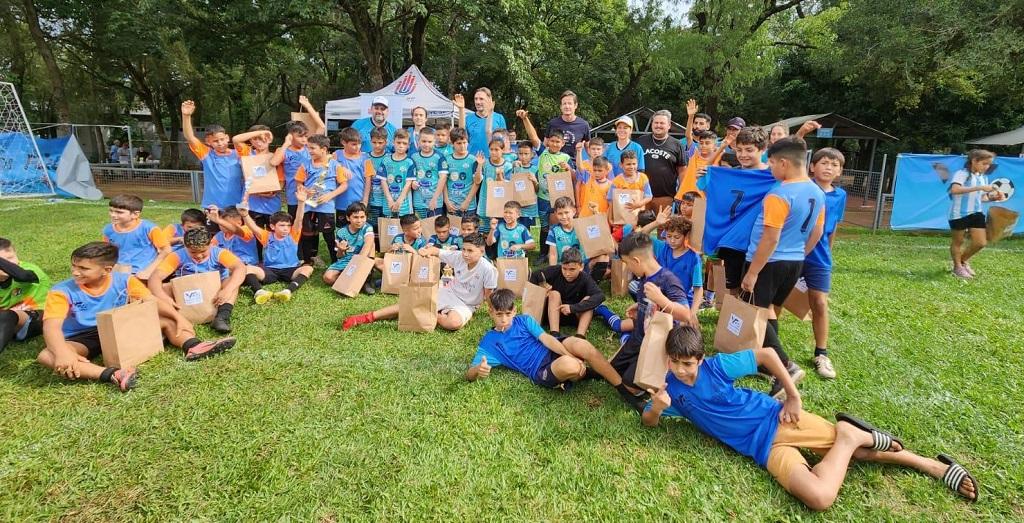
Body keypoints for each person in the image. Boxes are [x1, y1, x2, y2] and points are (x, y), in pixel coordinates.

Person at [641, 324, 979, 510]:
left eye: (689, 363)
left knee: (860, 455)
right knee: (819, 497)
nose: (683, 370)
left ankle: (930, 465)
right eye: (675, 362)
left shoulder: (717, 366)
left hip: (778, 419)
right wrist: (657, 407)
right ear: (668, 360)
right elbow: (648, 421)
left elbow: (769, 354)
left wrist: (792, 395)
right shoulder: (671, 390)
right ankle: (849, 435)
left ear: (700, 359)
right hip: (763, 451)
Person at [38, 243, 237, 391]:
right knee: (47, 355)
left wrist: (179, 318)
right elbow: (51, 327)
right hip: (83, 337)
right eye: (74, 266)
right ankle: (113, 374)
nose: (75, 272)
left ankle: (194, 346)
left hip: (119, 326)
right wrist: (63, 353)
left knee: (167, 321)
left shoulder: (124, 279)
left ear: (107, 270)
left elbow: (151, 300)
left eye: (83, 268)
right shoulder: (61, 291)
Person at [465, 289, 645, 411]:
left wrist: (568, 353)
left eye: (508, 314)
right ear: (490, 312)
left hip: (551, 349)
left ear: (514, 311)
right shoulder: (489, 343)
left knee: (581, 345)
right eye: (499, 315)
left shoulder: (524, 320)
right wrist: (477, 371)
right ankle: (591, 373)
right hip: (539, 369)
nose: (504, 319)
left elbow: (547, 339)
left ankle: (623, 390)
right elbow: (469, 374)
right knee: (570, 366)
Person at [741, 136, 825, 398]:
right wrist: (798, 253)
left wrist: (753, 272)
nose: (771, 169)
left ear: (785, 163)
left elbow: (770, 237)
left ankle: (785, 367)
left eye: (773, 164)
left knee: (755, 313)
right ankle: (771, 365)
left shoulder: (780, 194)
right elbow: (817, 231)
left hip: (768, 262)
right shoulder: (817, 192)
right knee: (768, 312)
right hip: (795, 261)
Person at [597, 233, 695, 391]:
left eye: (627, 263)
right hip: (638, 337)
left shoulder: (668, 280)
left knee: (630, 386)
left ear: (636, 261)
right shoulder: (644, 277)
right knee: (611, 371)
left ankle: (667, 373)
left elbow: (685, 314)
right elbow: (649, 301)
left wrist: (662, 300)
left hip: (657, 343)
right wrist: (640, 306)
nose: (627, 268)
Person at [343, 232, 497, 332]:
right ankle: (366, 317)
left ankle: (425, 311)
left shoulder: (488, 269)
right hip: (448, 292)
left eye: (470, 251)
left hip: (467, 305)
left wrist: (493, 313)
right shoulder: (458, 256)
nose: (465, 254)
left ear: (481, 252)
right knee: (408, 302)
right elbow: (437, 251)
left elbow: (489, 295)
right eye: (464, 249)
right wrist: (425, 251)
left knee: (453, 324)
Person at [802, 148, 847, 379]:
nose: (828, 167)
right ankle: (770, 350)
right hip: (793, 253)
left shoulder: (840, 196)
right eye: (824, 163)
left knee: (819, 303)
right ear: (812, 167)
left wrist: (827, 251)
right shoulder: (803, 188)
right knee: (776, 302)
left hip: (819, 258)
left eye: (834, 165)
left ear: (839, 171)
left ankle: (821, 353)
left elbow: (833, 226)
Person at [147, 228, 246, 333]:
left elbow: (240, 267)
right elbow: (155, 277)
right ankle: (172, 318)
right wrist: (164, 298)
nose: (199, 256)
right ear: (185, 247)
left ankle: (222, 316)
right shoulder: (177, 256)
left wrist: (228, 290)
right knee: (162, 289)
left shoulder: (219, 253)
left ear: (211, 244)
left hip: (216, 290)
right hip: (188, 290)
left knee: (231, 282)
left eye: (203, 251)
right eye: (193, 252)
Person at [240, 185, 314, 304]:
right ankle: (259, 292)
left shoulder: (293, 234)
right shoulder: (266, 236)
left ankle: (288, 291)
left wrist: (301, 202)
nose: (286, 229)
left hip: (291, 269)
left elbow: (299, 220)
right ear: (273, 226)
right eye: (282, 225)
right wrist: (244, 215)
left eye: (288, 225)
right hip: (270, 270)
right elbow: (252, 226)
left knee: (308, 268)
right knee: (247, 268)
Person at [294, 134, 350, 265]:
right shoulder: (305, 165)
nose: (309, 151)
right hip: (308, 206)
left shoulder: (335, 165)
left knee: (329, 235)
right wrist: (306, 190)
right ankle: (308, 261)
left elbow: (344, 185)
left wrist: (329, 196)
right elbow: (298, 183)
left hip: (326, 207)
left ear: (324, 149)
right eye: (308, 148)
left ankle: (335, 261)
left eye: (313, 148)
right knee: (307, 234)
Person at [181, 100, 245, 210]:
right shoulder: (207, 154)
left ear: (227, 138)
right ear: (208, 142)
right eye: (215, 141)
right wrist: (186, 116)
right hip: (212, 206)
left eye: (222, 139)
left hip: (236, 206)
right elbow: (190, 137)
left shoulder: (239, 154)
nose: (220, 143)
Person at [949, 149, 1002, 279]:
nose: (987, 167)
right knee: (958, 241)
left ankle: (962, 261)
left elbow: (981, 198)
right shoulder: (962, 174)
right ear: (974, 161)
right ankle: (957, 268)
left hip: (976, 213)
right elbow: (954, 190)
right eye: (984, 163)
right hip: (959, 213)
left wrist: (992, 198)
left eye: (989, 164)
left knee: (980, 243)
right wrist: (980, 188)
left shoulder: (983, 177)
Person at [529, 247, 603, 338]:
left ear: (581, 267)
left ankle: (580, 336)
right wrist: (541, 289)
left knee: (589, 299)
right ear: (561, 265)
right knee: (554, 294)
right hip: (553, 314)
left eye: (572, 269)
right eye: (564, 268)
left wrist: (573, 308)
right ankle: (554, 333)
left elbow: (600, 296)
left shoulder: (585, 278)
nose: (567, 273)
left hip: (575, 314)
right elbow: (534, 276)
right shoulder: (555, 270)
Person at [102, 194, 171, 280]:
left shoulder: (149, 228)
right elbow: (106, 252)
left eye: (119, 212)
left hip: (142, 271)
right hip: (118, 269)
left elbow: (166, 249)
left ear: (135, 214)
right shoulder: (108, 229)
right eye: (111, 211)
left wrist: (149, 271)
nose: (113, 215)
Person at [0, 238, 50, 353]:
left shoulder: (29, 269)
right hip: (5, 325)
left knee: (6, 315)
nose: (10, 264)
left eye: (10, 258)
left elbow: (22, 276)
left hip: (36, 318)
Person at [232, 125, 283, 227]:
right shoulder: (247, 153)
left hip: (271, 205)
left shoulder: (276, 157)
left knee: (270, 237)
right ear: (250, 140)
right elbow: (235, 139)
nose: (259, 142)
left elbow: (281, 181)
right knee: (252, 237)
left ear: (269, 139)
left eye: (262, 138)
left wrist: (273, 191)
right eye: (255, 139)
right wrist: (261, 132)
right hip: (250, 206)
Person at [636, 109, 687, 211]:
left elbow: (682, 170)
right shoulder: (641, 141)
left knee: (663, 226)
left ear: (669, 125)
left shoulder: (677, 144)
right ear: (652, 124)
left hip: (665, 196)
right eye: (656, 122)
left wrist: (681, 192)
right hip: (641, 195)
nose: (658, 125)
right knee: (640, 226)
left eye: (662, 123)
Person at [322, 202, 376, 294]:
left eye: (362, 217)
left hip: (362, 259)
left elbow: (368, 243)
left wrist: (358, 263)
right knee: (328, 278)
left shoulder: (367, 227)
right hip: (346, 260)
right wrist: (341, 250)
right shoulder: (341, 232)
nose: (359, 220)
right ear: (348, 218)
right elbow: (339, 256)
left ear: (366, 217)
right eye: (355, 217)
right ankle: (357, 281)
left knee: (371, 243)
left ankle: (366, 279)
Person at [333, 127, 375, 230]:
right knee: (342, 229)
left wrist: (364, 201)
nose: (357, 147)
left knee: (360, 229)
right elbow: (328, 165)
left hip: (359, 202)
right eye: (353, 144)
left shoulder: (365, 158)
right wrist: (341, 168)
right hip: (341, 203)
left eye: (359, 144)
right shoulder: (336, 155)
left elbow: (368, 181)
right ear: (343, 142)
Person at [607, 150, 653, 237]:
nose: (631, 167)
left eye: (634, 164)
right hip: (620, 220)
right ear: (621, 165)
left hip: (638, 220)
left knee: (637, 240)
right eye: (628, 164)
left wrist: (639, 204)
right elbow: (610, 200)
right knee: (620, 240)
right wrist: (610, 218)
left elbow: (649, 196)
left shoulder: (643, 178)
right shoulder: (617, 181)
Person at [475, 137, 514, 238]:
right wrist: (479, 165)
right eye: (491, 149)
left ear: (502, 150)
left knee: (498, 232)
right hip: (485, 203)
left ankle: (497, 252)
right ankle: (485, 253)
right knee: (483, 233)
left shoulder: (508, 166)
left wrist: (500, 177)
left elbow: (507, 187)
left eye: (496, 149)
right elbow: (477, 181)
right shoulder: (485, 164)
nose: (493, 152)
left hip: (500, 205)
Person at [675, 130, 729, 198]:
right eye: (701, 143)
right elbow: (688, 136)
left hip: (705, 198)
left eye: (707, 143)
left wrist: (721, 148)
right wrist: (691, 118)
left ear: (715, 145)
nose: (703, 145)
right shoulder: (693, 154)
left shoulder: (720, 158)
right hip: (685, 196)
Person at [454, 88, 507, 156]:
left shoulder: (499, 118)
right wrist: (461, 109)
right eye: (476, 99)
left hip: (493, 161)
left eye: (481, 99)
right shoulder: (468, 118)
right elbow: (461, 136)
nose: (477, 102)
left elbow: (504, 142)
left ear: (489, 100)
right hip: (473, 160)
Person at [443, 127, 482, 218]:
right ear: (452, 144)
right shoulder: (447, 159)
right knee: (453, 231)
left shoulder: (473, 160)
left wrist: (467, 202)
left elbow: (476, 183)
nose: (462, 146)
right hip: (452, 205)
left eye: (464, 143)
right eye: (459, 143)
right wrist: (447, 201)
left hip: (468, 206)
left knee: (469, 231)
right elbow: (443, 182)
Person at [410, 127, 448, 218]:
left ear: (434, 142)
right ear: (418, 141)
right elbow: (411, 177)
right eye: (423, 141)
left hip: (435, 202)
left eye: (430, 142)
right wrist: (413, 183)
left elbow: (443, 178)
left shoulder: (440, 157)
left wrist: (434, 199)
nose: (426, 144)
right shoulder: (414, 157)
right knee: (419, 228)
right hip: (418, 202)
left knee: (433, 229)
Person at [363, 126, 391, 246]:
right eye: (374, 142)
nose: (377, 145)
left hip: (386, 200)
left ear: (386, 142)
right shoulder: (365, 157)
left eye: (380, 142)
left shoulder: (390, 157)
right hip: (372, 199)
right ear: (370, 142)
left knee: (386, 226)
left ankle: (385, 249)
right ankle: (372, 249)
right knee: (372, 225)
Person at [379, 129, 416, 219]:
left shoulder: (410, 162)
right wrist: (390, 200)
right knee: (388, 230)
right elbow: (383, 181)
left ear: (408, 145)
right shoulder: (385, 160)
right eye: (398, 142)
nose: (401, 146)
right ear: (393, 142)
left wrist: (399, 201)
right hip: (388, 204)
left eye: (404, 143)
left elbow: (408, 184)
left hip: (404, 206)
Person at [545, 90, 591, 156]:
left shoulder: (584, 125)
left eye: (569, 103)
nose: (567, 106)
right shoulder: (552, 124)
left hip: (573, 164)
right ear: (561, 106)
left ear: (575, 105)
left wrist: (595, 163)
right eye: (564, 103)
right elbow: (545, 146)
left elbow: (589, 150)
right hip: (554, 164)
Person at [512, 141, 540, 228]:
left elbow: (538, 190)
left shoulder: (535, 170)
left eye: (526, 154)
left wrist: (535, 181)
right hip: (516, 208)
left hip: (530, 209)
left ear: (532, 154)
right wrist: (514, 169)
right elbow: (508, 185)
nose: (523, 157)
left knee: (527, 232)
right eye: (520, 154)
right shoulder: (514, 167)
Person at [576, 153, 613, 218]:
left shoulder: (610, 185)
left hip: (601, 218)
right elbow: (579, 167)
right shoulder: (588, 179)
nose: (596, 173)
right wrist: (579, 151)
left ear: (607, 170)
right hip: (585, 217)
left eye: (600, 171)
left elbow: (611, 206)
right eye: (595, 170)